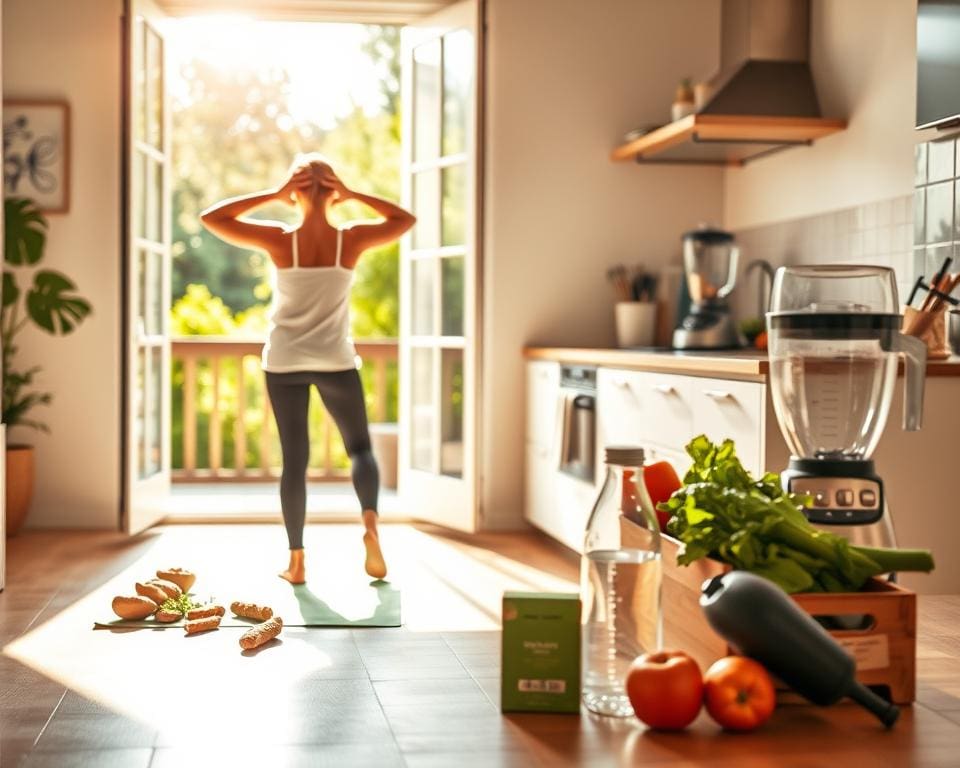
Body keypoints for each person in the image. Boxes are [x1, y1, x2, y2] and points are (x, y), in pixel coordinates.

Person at [200, 154, 415, 584]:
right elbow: (404, 219)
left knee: (294, 461)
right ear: (333, 191)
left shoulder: (283, 240)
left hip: (284, 361)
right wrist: (353, 195)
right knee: (360, 450)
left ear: (295, 191)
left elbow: (213, 217)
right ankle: (370, 526)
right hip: (335, 359)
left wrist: (274, 194)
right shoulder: (348, 241)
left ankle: (297, 562)